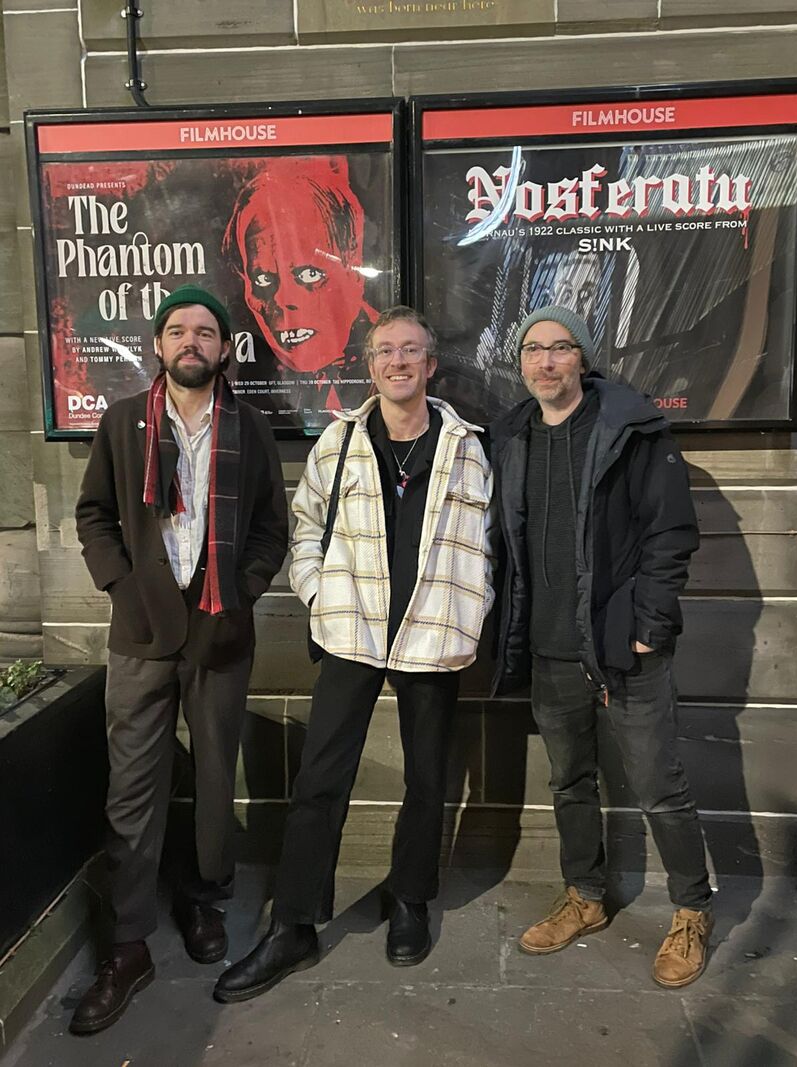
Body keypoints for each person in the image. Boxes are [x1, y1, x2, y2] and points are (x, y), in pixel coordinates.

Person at [213, 305, 495, 1003]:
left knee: (428, 779)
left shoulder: (469, 445)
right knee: (319, 781)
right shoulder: (338, 444)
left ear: (431, 365)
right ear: (369, 366)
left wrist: (473, 605)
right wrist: (316, 592)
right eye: (385, 351)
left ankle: (409, 900)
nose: (398, 361)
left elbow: (491, 541)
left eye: (412, 351)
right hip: (350, 633)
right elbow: (305, 525)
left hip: (431, 635)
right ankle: (295, 924)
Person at [71, 284, 288, 1033]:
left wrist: (245, 593)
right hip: (139, 634)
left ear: (226, 349)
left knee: (214, 777)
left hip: (220, 633)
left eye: (205, 331)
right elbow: (94, 513)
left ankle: (203, 899)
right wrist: (120, 586)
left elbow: (270, 529)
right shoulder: (124, 422)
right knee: (132, 788)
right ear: (159, 346)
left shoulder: (251, 427)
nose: (191, 341)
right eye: (177, 330)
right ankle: (128, 942)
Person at [490, 304, 713, 988]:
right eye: (534, 349)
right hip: (552, 649)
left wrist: (649, 623)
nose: (546, 360)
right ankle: (585, 895)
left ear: (581, 358)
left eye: (560, 348)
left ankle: (691, 908)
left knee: (657, 786)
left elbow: (670, 532)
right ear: (521, 361)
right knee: (568, 781)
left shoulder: (632, 430)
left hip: (624, 649)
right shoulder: (512, 435)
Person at [223, 156, 379, 412]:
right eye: (263, 279)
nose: (283, 300)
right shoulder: (248, 376)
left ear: (354, 269)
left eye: (309, 274)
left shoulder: (393, 367)